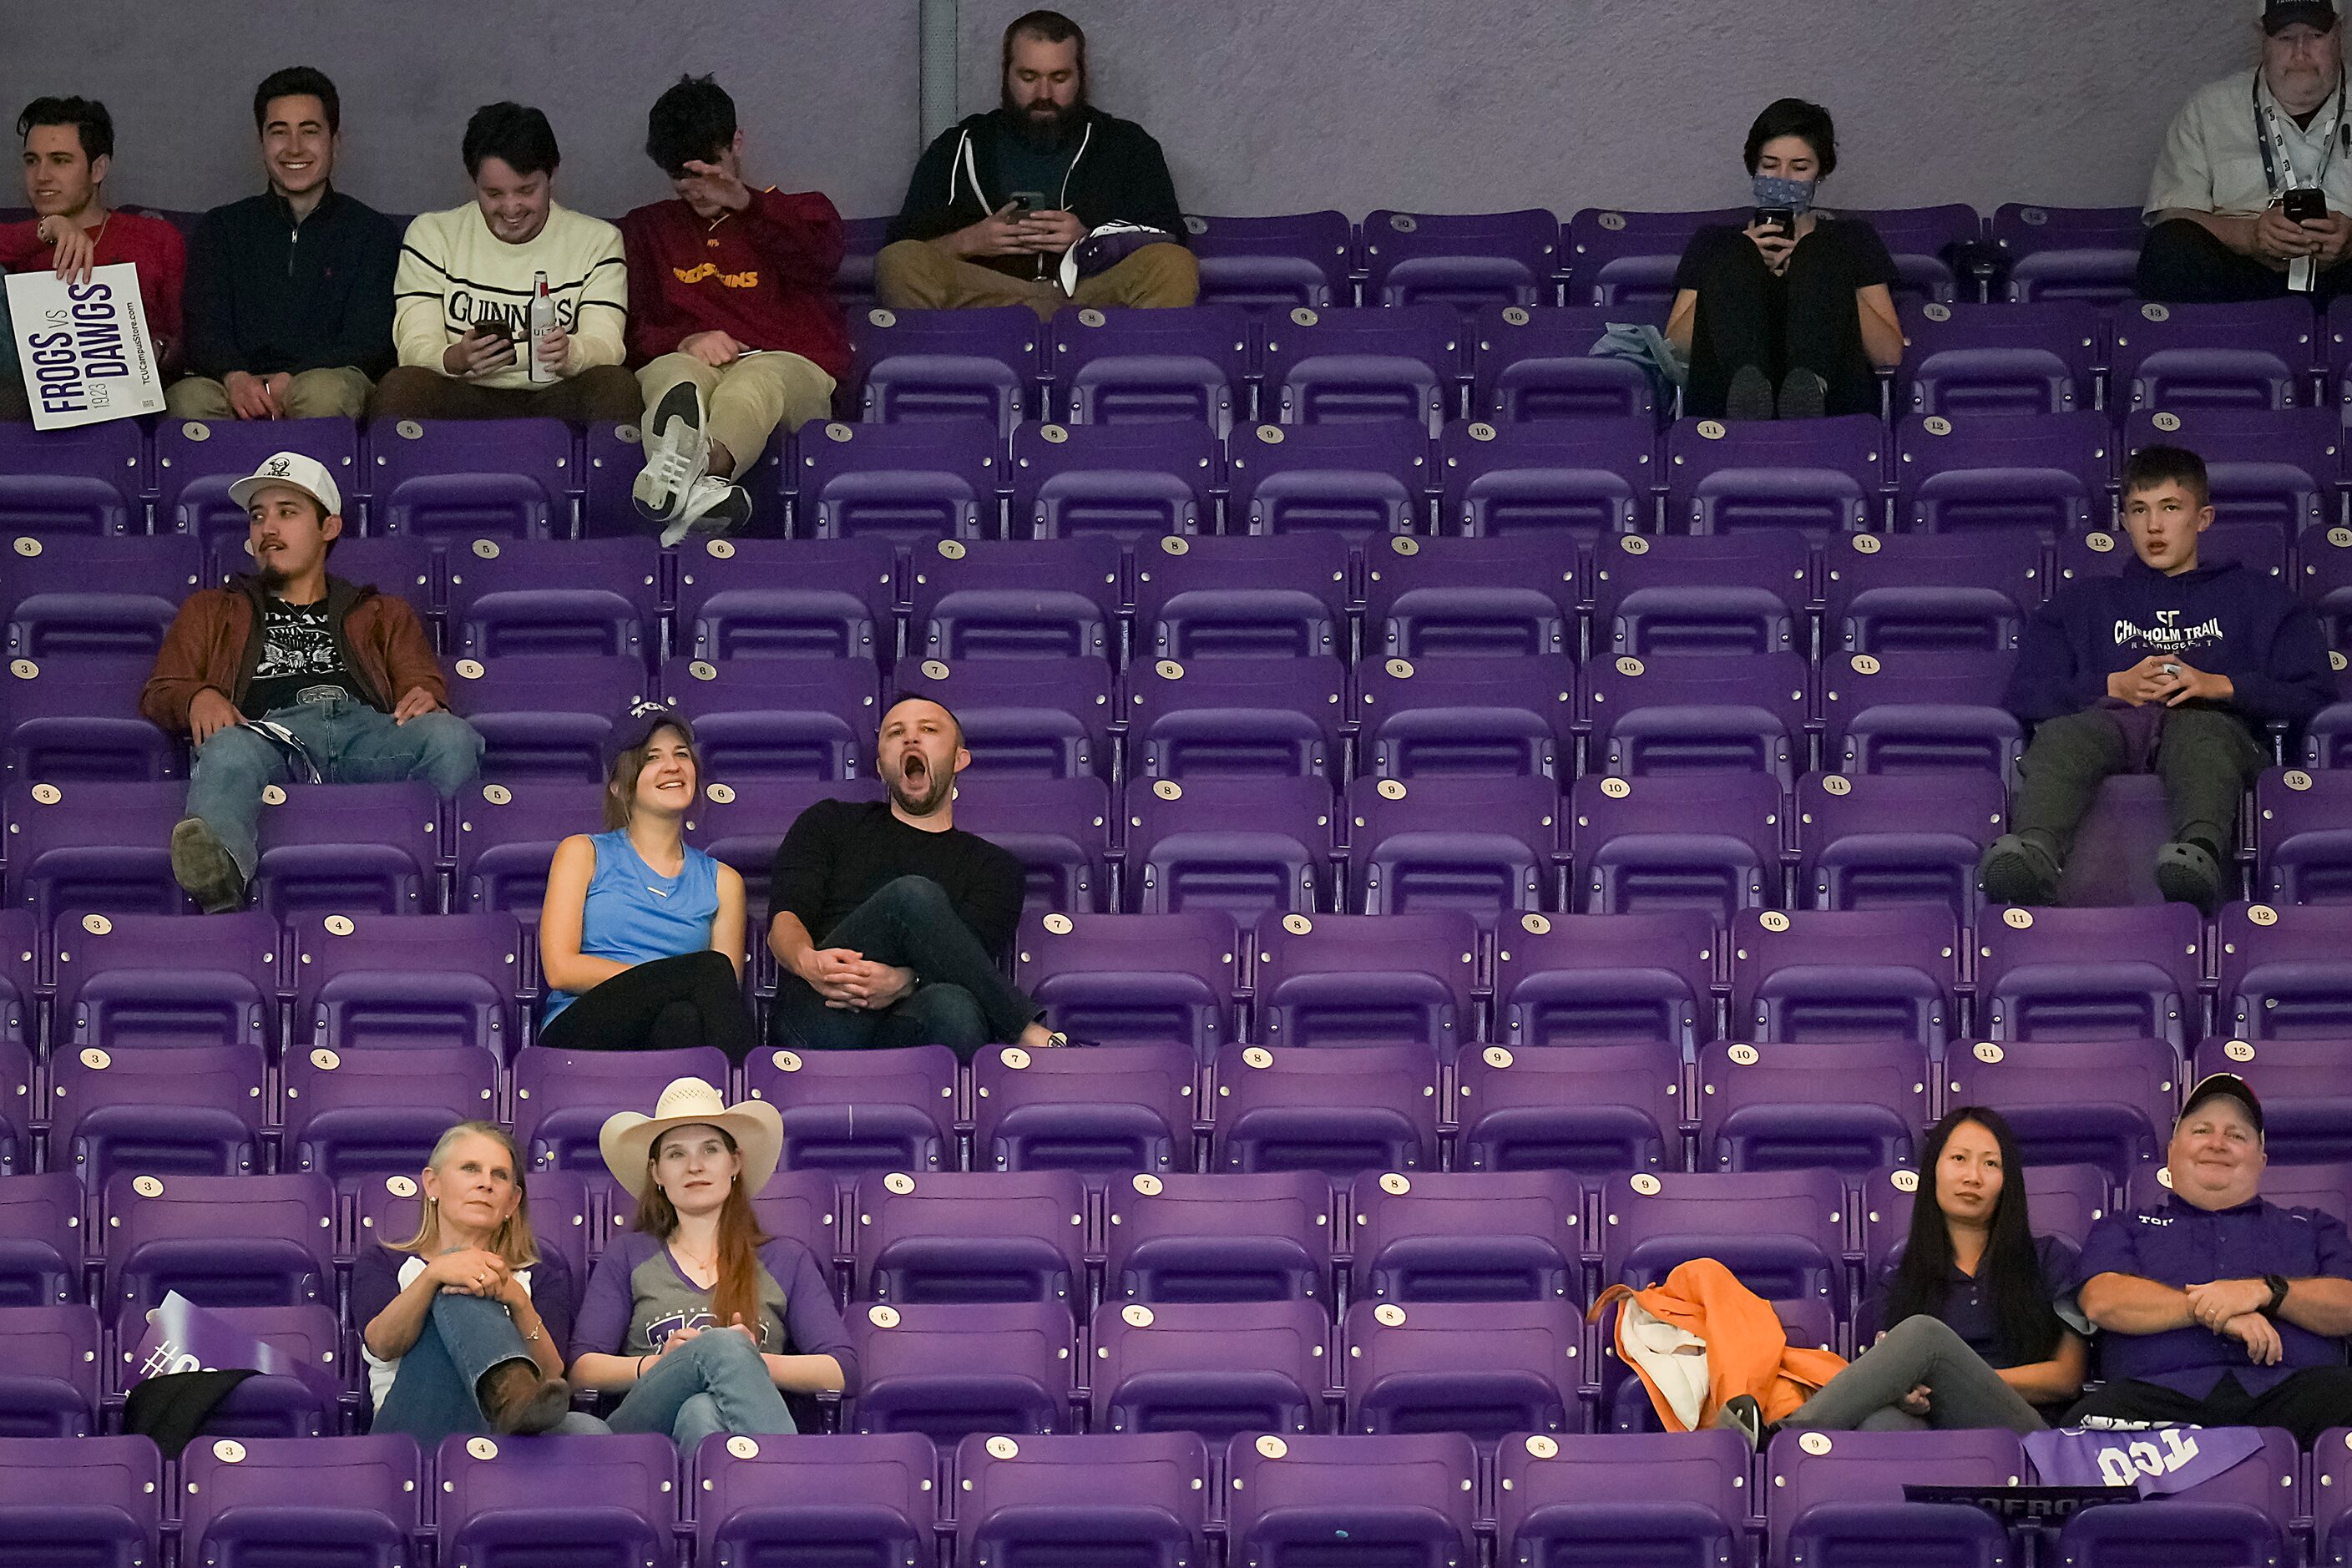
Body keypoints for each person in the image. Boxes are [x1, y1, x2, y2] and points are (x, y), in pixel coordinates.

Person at [1979, 444, 2332, 914]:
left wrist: (2220, 685)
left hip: (2212, 724)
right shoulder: (2084, 602)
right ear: (2124, 520)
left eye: (2170, 508)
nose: (2154, 527)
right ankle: (2033, 857)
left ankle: (2199, 860)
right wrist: (2110, 686)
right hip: (2112, 722)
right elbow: (2025, 694)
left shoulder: (2261, 599)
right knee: (2065, 737)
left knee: (2200, 733)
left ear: (2202, 518)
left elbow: (2315, 693)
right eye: (2139, 511)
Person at [139, 452, 483, 912]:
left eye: (287, 513)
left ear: (329, 528)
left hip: (365, 734)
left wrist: (427, 696)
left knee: (452, 737)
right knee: (225, 748)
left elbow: (421, 681)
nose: (268, 529)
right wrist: (196, 696)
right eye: (258, 517)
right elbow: (162, 690)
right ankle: (219, 882)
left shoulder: (381, 611)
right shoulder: (210, 609)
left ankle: (445, 883)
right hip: (269, 734)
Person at [1720, 1109, 2086, 1447]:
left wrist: (1951, 1377)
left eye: (1990, 1164)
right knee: (1880, 1423)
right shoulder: (1900, 1279)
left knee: (1923, 1334)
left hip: (2027, 1435)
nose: (1972, 1177)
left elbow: (2067, 1379)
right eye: (1959, 1159)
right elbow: (1899, 1379)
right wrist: (1908, 1390)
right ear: (1933, 1172)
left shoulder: (2049, 1258)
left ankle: (1782, 1440)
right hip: (1938, 1428)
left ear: (2008, 1182)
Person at [768, 695, 1065, 1061]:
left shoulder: (995, 868)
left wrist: (902, 983)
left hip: (913, 1024)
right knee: (912, 895)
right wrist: (807, 963)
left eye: (928, 729)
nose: (911, 739)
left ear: (959, 758)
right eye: (896, 733)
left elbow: (964, 964)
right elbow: (785, 918)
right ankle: (1030, 1033)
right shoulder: (831, 822)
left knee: (956, 1006)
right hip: (823, 1011)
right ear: (880, 765)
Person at [620, 75, 846, 546]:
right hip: (694, 359)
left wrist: (746, 202)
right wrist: (682, 339)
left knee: (752, 383)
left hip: (787, 366)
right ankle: (703, 494)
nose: (699, 192)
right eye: (684, 181)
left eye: (710, 174)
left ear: (736, 143)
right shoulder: (648, 229)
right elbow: (632, 328)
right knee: (674, 377)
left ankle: (697, 471)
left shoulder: (801, 210)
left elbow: (819, 262)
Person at [2068, 1074, 2352, 1448]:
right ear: (2171, 1152)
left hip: (2301, 1400)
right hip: (2152, 1404)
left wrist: (2263, 1291)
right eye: (2202, 1130)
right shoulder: (2123, 1226)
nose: (2218, 1144)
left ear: (2261, 1159)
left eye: (2236, 1136)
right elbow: (2103, 1301)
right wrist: (2216, 1310)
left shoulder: (2313, 1226)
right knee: (2072, 1433)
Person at [571, 1076, 855, 1449]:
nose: (694, 1167)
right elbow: (581, 1370)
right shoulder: (627, 1256)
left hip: (727, 1430)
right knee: (720, 1348)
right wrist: (664, 1362)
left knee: (702, 1411)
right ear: (657, 1172)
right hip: (640, 1435)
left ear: (735, 1163)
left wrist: (749, 1361)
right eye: (676, 1154)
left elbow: (842, 1370)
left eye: (710, 1150)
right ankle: (790, 1486)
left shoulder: (787, 1259)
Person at [874, 9, 1196, 321]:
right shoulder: (960, 145)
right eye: (1029, 77)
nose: (1044, 94)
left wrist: (1090, 239)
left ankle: (1123, 375)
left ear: (1081, 75)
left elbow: (1169, 235)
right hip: (989, 296)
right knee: (899, 263)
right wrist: (971, 241)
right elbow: (904, 244)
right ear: (1006, 73)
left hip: (1092, 295)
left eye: (1059, 78)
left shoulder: (1127, 144)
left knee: (1173, 264)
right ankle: (950, 373)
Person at [370, 102, 637, 422]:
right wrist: (455, 358)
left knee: (616, 386)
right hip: (460, 393)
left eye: (526, 191)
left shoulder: (598, 240)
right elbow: (414, 344)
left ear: (551, 177)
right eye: (494, 194)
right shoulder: (431, 235)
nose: (511, 208)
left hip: (556, 394)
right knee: (401, 387)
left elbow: (607, 344)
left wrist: (571, 352)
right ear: (473, 184)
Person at [169, 67, 399, 422]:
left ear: (335, 142)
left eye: (310, 132)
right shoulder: (221, 228)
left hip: (328, 378)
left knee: (322, 395)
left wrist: (290, 380)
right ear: (261, 142)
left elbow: (369, 341)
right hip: (234, 383)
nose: (294, 148)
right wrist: (233, 377)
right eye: (279, 132)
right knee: (187, 401)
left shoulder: (371, 232)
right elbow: (203, 328)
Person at [538, 702, 757, 1065]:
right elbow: (561, 969)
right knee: (708, 969)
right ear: (620, 785)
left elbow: (721, 998)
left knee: (682, 1020)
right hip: (581, 1029)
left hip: (671, 1027)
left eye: (681, 754)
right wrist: (666, 979)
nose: (672, 766)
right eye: (652, 757)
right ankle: (750, 1097)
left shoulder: (724, 882)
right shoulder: (582, 853)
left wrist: (666, 987)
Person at [354, 1122, 601, 1439]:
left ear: (512, 1202)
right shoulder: (383, 1262)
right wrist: (433, 1275)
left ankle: (514, 1398)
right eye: (470, 1169)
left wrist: (518, 1301)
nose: (486, 1183)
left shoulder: (541, 1278)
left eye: (499, 1175)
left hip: (502, 1431)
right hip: (411, 1427)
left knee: (589, 1430)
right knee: (460, 1271)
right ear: (432, 1184)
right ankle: (508, 1393)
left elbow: (551, 1377)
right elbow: (382, 1345)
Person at [1666, 98, 1902, 422]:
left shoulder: (1850, 241)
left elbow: (1888, 354)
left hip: (1833, 408)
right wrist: (1735, 270)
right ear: (1754, 167)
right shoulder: (1716, 244)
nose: (1783, 178)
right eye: (1770, 165)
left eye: (1800, 167)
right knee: (1737, 254)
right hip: (1725, 411)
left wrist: (1822, 277)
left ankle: (1809, 385)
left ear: (1821, 172)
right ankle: (1747, 389)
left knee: (1817, 253)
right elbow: (1675, 350)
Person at [2140, 1, 2352, 304]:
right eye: (2285, 38)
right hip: (2243, 275)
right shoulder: (2210, 108)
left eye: (2316, 35)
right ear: (2261, 39)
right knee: (2169, 249)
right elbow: (2174, 215)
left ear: (2339, 34)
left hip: (2343, 277)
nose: (2301, 53)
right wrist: (2250, 236)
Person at [0, 95, 186, 403]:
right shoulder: (22, 239)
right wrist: (50, 227)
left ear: (98, 168)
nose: (42, 176)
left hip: (131, 398)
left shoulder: (155, 236)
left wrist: (157, 350)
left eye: (60, 160)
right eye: (32, 160)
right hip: (33, 394)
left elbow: (187, 341)